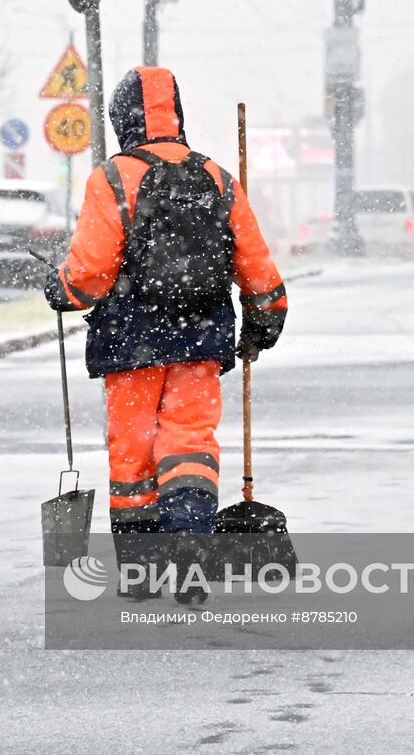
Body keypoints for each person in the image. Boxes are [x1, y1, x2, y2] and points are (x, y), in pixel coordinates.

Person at [42, 67, 290, 604]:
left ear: (121, 118)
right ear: (178, 114)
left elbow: (89, 274)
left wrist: (59, 290)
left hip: (130, 339)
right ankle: (192, 542)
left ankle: (143, 569)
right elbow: (258, 266)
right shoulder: (218, 178)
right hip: (200, 335)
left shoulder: (112, 179)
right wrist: (263, 321)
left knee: (132, 453)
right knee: (190, 442)